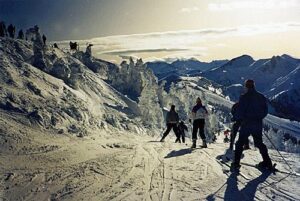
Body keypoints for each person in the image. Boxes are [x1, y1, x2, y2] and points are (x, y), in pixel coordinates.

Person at [231, 79, 273, 171]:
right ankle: (267, 162)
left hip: (246, 124)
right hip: (257, 124)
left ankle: (236, 163)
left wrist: (235, 117)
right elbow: (265, 111)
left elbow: (240, 112)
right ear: (254, 86)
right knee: (259, 143)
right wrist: (258, 118)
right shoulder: (261, 96)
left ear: (246, 86)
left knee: (240, 143)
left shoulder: (244, 97)